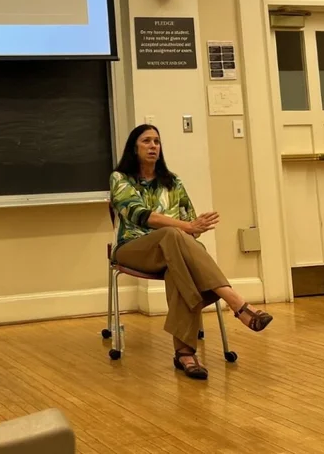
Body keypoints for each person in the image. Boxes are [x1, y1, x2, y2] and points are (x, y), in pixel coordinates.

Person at [110, 124, 273, 380]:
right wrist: (186, 228)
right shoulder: (120, 178)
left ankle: (185, 354)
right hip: (133, 248)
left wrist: (190, 228)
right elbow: (141, 215)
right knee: (172, 234)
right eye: (146, 141)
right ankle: (235, 301)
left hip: (172, 253)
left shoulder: (173, 182)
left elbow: (192, 223)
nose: (153, 146)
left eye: (157, 141)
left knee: (177, 265)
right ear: (134, 147)